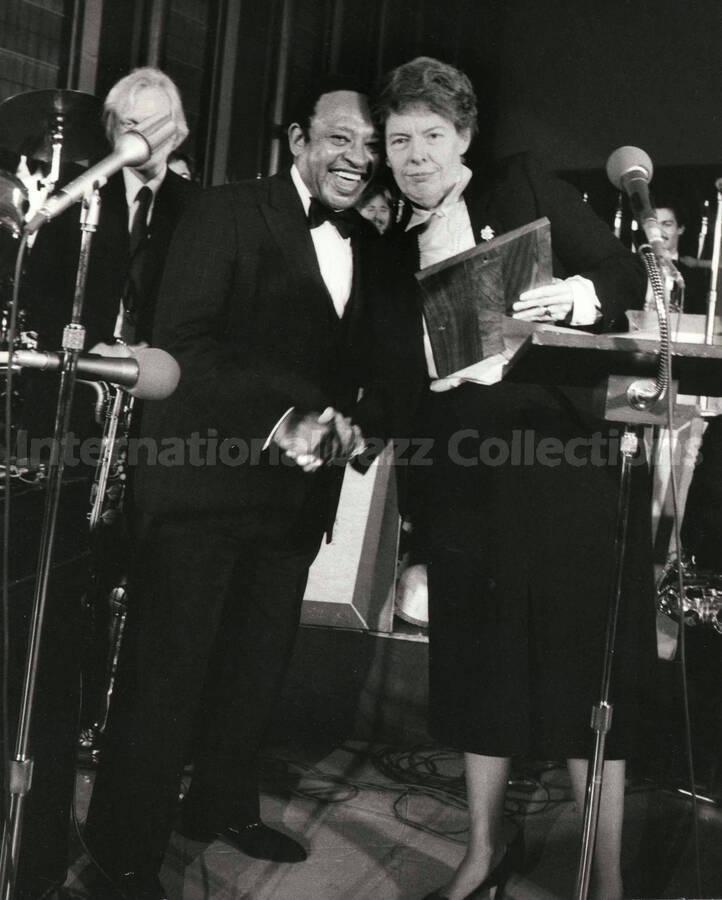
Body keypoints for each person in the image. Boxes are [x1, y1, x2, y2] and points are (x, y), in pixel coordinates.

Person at [83, 76, 419, 898]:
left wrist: (365, 423)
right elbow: (186, 342)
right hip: (204, 485)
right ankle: (122, 851)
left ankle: (220, 806)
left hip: (296, 498)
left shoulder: (371, 245)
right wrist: (283, 422)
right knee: (169, 674)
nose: (358, 158)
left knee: (255, 666)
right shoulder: (223, 211)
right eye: (341, 138)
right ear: (298, 139)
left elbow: (374, 361)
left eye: (371, 145)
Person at [373, 57, 655, 900]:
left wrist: (573, 294)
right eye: (399, 140)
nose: (415, 155)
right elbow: (401, 394)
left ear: (463, 136)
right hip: (466, 477)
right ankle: (484, 851)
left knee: (579, 667)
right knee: (476, 666)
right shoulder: (390, 248)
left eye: (431, 135)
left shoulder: (523, 181)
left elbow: (624, 273)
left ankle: (601, 879)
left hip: (563, 465)